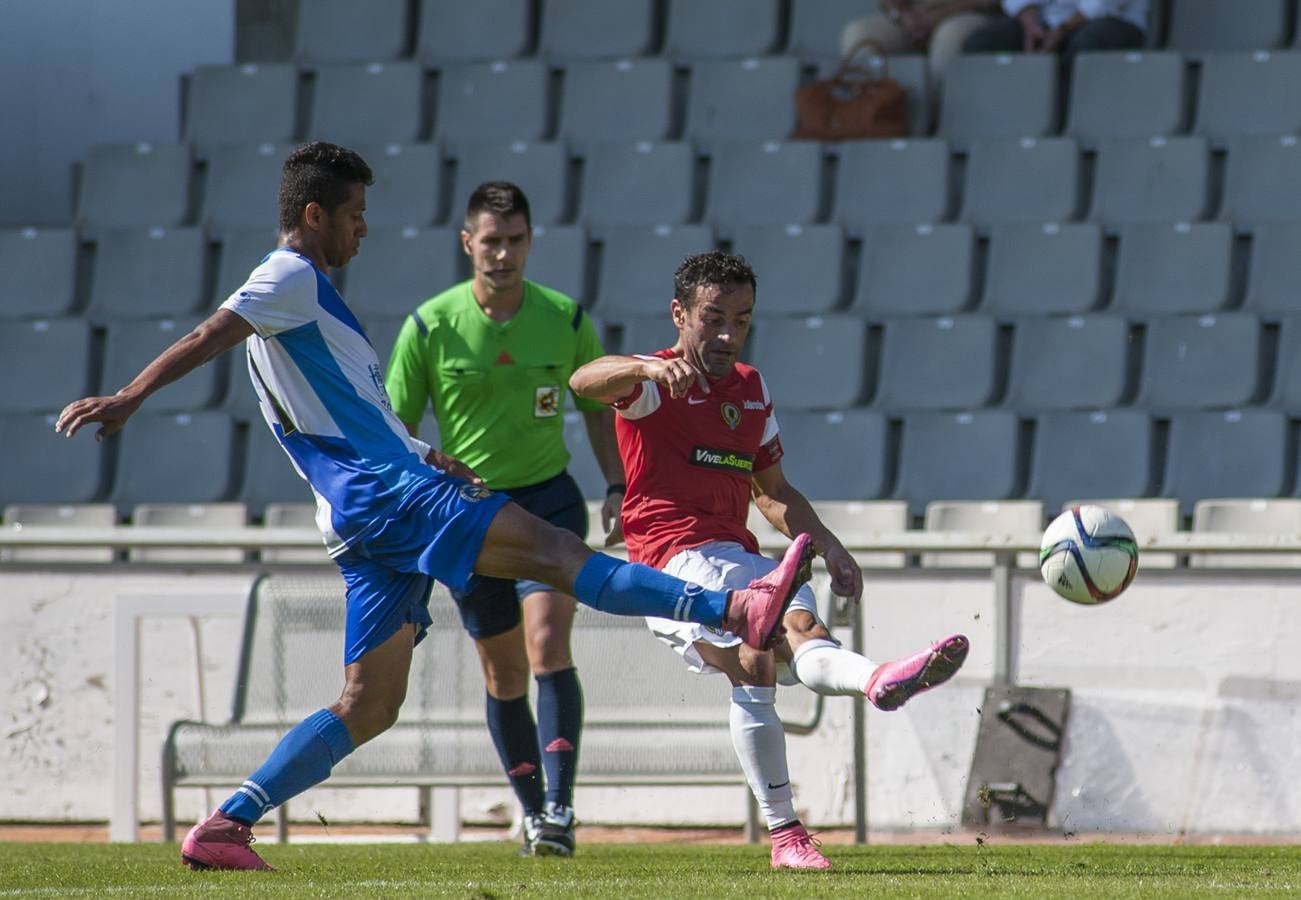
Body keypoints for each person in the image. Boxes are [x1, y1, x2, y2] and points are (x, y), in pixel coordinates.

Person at [54, 143, 813, 872]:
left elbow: (344, 415)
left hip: (360, 515)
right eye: (354, 215)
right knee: (560, 556)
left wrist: (424, 453)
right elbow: (208, 333)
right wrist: (130, 397)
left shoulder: (305, 305)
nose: (363, 229)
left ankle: (228, 823)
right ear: (314, 215)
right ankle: (731, 609)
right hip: (394, 501)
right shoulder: (288, 276)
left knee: (369, 703)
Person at [569, 251, 970, 871]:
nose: (728, 335)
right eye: (713, 318)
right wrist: (648, 366)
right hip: (675, 564)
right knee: (755, 658)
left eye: (742, 319)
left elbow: (773, 493)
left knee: (803, 635)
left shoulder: (751, 388)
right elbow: (582, 381)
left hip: (745, 556)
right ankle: (786, 833)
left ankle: (878, 681)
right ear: (680, 314)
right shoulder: (651, 385)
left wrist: (830, 543)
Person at [383, 181, 621, 857]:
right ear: (467, 243)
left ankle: (562, 810)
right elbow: (396, 429)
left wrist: (615, 484)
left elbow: (599, 410)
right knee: (504, 674)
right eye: (490, 240)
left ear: (530, 241)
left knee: (548, 645)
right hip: (467, 514)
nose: (503, 253)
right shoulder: (429, 324)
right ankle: (533, 814)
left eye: (515, 239)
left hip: (548, 501)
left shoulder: (566, 319)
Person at [840, 0, 1001, 88]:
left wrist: (939, 15)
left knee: (949, 35)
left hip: (968, 12)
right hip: (914, 13)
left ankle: (937, 119)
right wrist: (903, 16)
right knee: (858, 33)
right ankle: (866, 113)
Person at [963, 0, 1147, 60]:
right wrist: (1030, 25)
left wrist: (1062, 29)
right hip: (1045, 22)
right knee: (984, 42)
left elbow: (1101, 5)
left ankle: (1070, 124)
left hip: (1114, 21)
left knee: (1086, 44)